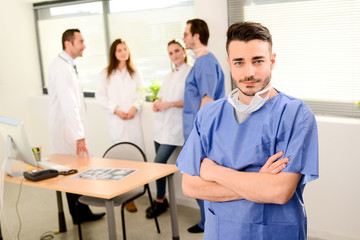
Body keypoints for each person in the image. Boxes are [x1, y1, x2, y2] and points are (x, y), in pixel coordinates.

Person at [176, 21, 319, 240]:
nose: (249, 72)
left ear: (272, 61)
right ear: (229, 64)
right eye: (239, 62)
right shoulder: (209, 115)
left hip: (275, 232)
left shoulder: (294, 115)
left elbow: (278, 192)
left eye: (258, 61)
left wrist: (214, 172)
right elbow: (190, 186)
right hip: (221, 231)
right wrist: (257, 182)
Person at [48, 29, 105, 224]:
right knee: (72, 173)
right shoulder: (61, 68)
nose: (84, 45)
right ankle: (79, 215)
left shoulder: (66, 66)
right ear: (68, 44)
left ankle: (82, 212)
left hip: (70, 130)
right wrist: (79, 136)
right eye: (80, 41)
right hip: (68, 133)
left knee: (76, 172)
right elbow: (69, 104)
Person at [181, 18, 225, 233]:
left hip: (202, 135)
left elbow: (207, 103)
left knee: (202, 182)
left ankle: (209, 224)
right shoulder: (200, 62)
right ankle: (206, 222)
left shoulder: (206, 62)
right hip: (196, 133)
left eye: (186, 34)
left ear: (196, 36)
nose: (183, 38)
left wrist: (198, 140)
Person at [95, 38, 145, 212]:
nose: (123, 52)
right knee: (120, 160)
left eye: (125, 49)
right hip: (116, 120)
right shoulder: (105, 74)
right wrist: (116, 110)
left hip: (132, 119)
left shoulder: (135, 73)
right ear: (113, 54)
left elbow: (141, 94)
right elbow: (100, 97)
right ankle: (124, 197)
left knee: (136, 158)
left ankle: (136, 194)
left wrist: (134, 107)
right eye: (119, 50)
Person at [145, 40, 191, 219]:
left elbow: (191, 102)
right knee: (159, 166)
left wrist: (168, 104)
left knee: (158, 162)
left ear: (185, 51)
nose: (174, 55)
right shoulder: (168, 75)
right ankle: (162, 200)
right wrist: (157, 103)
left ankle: (158, 200)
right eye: (170, 53)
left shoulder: (191, 73)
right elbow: (162, 96)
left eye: (177, 51)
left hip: (176, 127)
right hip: (161, 126)